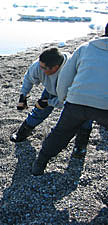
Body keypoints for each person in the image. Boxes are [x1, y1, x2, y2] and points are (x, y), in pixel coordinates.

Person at [31, 22, 108, 176]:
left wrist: (63, 98)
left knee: (61, 132)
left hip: (76, 102)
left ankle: (41, 162)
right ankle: (80, 149)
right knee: (83, 126)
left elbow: (66, 76)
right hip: (104, 106)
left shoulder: (85, 47)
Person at [10, 47, 93, 158]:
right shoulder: (39, 65)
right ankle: (22, 133)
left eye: (44, 68)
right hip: (51, 90)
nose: (40, 69)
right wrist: (23, 96)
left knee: (84, 119)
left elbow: (68, 102)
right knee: (39, 111)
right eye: (40, 66)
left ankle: (80, 146)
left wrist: (49, 102)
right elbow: (29, 78)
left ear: (55, 67)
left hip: (79, 97)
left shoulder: (73, 71)